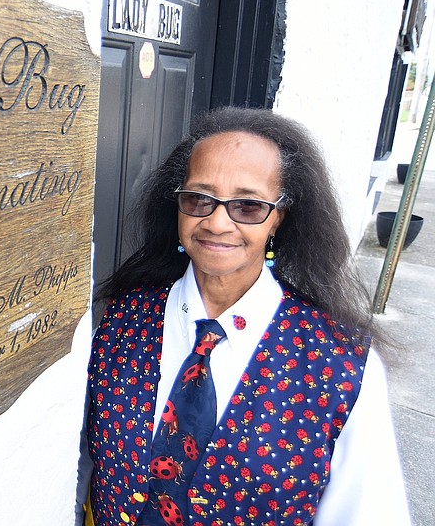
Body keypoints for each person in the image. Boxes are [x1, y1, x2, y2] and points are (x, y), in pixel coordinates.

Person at [76, 107, 410, 526]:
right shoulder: (122, 320)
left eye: (248, 206)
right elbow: (84, 466)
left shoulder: (343, 367)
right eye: (199, 199)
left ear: (279, 218)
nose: (216, 223)